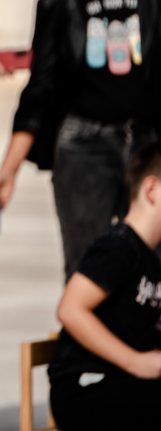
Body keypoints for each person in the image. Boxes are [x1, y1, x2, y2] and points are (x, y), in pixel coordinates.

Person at [0, 0, 161, 278]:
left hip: (151, 145)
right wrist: (8, 170)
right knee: (89, 266)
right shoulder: (59, 2)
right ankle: (86, 339)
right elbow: (38, 92)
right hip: (83, 146)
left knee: (153, 268)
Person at [48, 140, 161, 430]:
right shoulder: (118, 247)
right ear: (151, 190)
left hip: (126, 386)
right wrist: (136, 362)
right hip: (87, 386)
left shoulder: (151, 260)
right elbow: (71, 310)